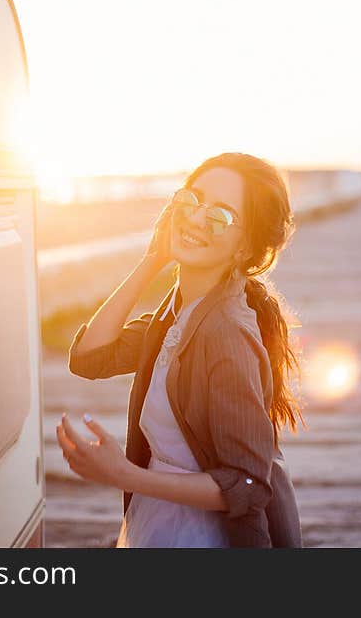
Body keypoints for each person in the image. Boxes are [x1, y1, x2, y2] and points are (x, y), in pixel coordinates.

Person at [57, 152, 304, 548]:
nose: (195, 218)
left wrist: (124, 474)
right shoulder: (178, 312)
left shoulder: (225, 334)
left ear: (244, 248)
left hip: (202, 536)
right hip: (158, 516)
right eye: (192, 199)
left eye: (220, 216)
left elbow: (249, 486)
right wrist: (151, 260)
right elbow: (90, 356)